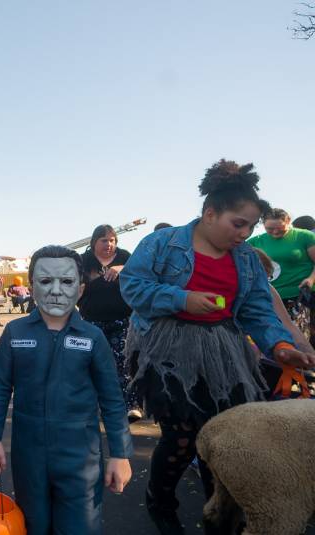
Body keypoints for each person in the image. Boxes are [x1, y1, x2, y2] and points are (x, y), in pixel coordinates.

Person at [120, 159, 315, 535]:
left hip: (224, 349)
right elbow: (133, 286)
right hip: (167, 349)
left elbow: (259, 309)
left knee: (224, 432)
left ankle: (221, 512)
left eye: (250, 226)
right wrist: (182, 298)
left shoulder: (245, 259)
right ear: (210, 213)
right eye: (237, 224)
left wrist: (279, 347)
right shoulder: (163, 243)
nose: (244, 233)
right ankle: (160, 501)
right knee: (181, 433)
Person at [0, 245, 133, 535]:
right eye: (45, 281)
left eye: (66, 281)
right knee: (33, 523)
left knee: (80, 526)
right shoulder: (16, 333)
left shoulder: (93, 337)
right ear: (31, 286)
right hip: (29, 454)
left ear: (80, 289)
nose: (55, 290)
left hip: (80, 458)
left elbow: (112, 399)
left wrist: (120, 454)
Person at [78, 224, 142, 421]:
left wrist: (121, 268)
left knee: (124, 362)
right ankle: (95, 405)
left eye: (112, 240)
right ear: (94, 242)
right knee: (94, 363)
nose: (109, 244)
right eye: (104, 240)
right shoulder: (84, 260)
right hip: (92, 321)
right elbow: (74, 283)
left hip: (122, 320)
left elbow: (140, 272)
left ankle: (131, 404)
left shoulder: (124, 257)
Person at [248, 207, 315, 345]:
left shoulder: (305, 236)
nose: (275, 232)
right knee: (281, 338)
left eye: (279, 227)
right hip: (274, 298)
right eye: (269, 229)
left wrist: (310, 279)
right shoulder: (255, 241)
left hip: (303, 295)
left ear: (288, 221)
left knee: (303, 337)